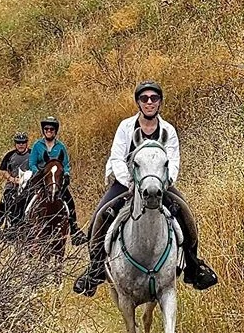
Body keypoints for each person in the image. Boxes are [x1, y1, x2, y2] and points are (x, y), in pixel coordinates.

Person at [73, 80, 218, 297]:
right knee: (100, 215)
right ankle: (94, 270)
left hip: (159, 185)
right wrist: (130, 182)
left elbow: (174, 161)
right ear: (138, 103)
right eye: (144, 98)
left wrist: (164, 182)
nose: (149, 102)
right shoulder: (125, 127)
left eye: (154, 98)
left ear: (160, 102)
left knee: (186, 213)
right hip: (127, 184)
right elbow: (117, 158)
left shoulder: (168, 130)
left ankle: (193, 265)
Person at [28, 116, 88, 246]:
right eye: (46, 129)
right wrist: (37, 171)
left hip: (56, 179)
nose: (49, 131)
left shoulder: (61, 147)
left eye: (51, 129)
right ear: (43, 130)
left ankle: (74, 230)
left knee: (69, 201)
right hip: (41, 178)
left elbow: (66, 164)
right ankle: (24, 225)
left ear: (55, 131)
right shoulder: (37, 145)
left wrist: (66, 173)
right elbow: (32, 163)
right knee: (27, 198)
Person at [0, 132, 30, 232]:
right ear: (15, 143)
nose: (21, 145)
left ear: (26, 143)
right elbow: (3, 170)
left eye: (23, 142)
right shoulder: (9, 155)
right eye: (18, 142)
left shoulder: (32, 154)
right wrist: (11, 179)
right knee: (5, 200)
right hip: (12, 185)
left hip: (28, 186)